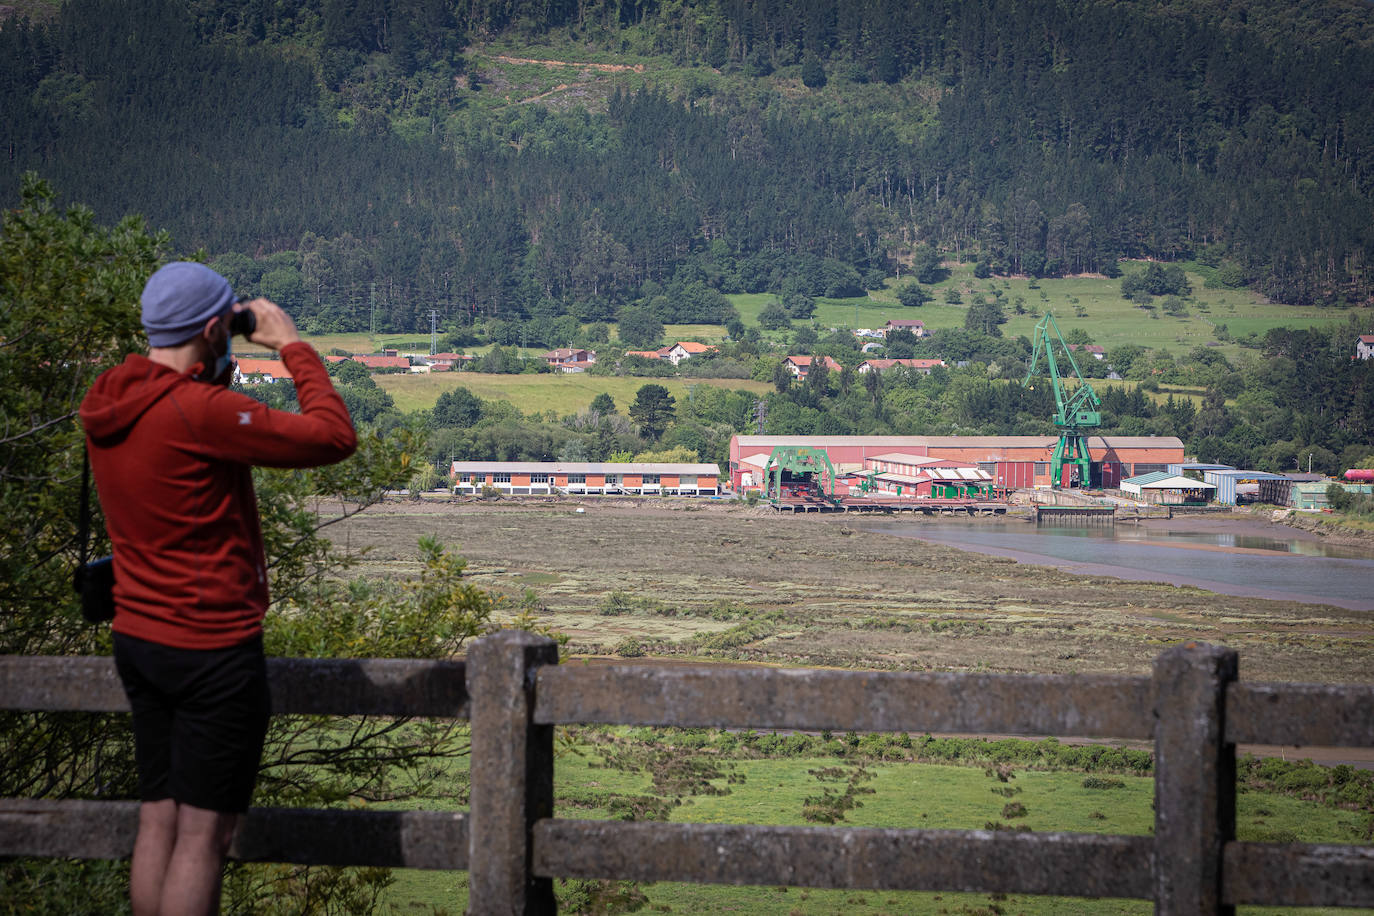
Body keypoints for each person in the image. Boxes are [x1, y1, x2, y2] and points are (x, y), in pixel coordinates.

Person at [79, 262, 357, 915]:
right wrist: (292, 346)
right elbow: (332, 436)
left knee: (159, 819)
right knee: (206, 835)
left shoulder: (110, 398)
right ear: (213, 328)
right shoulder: (196, 411)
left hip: (139, 639)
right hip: (212, 647)